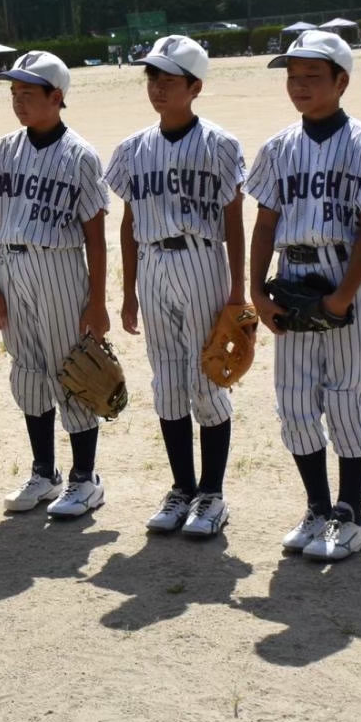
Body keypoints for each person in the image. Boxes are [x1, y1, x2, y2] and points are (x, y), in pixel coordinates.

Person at [245, 29, 361, 562]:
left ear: (341, 81)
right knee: (293, 402)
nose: (300, 85)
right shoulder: (278, 147)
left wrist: (343, 297)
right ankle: (316, 507)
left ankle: (349, 514)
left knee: (345, 398)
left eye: (313, 76)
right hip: (291, 273)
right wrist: (256, 290)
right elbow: (265, 222)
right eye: (293, 76)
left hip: (343, 272)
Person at [103, 35, 248, 539]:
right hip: (153, 264)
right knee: (167, 383)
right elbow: (127, 222)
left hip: (203, 261)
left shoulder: (221, 145)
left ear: (195, 86)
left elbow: (234, 220)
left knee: (207, 378)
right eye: (152, 78)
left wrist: (237, 292)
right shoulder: (132, 149)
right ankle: (181, 488)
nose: (158, 88)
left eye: (168, 79)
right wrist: (127, 292)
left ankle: (212, 493)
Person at [0, 51, 112, 519]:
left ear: (57, 97)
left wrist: (97, 301)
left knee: (71, 370)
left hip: (61, 269)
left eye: (28, 93)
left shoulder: (81, 155)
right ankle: (44, 472)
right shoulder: (1, 151)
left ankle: (84, 478)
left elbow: (95, 232)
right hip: (11, 270)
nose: (19, 101)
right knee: (27, 373)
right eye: (14, 93)